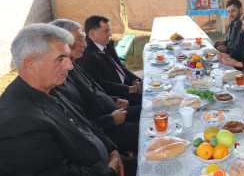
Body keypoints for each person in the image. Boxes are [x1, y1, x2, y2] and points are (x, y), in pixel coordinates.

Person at [0, 23, 123, 175]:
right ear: (30, 64)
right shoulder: (19, 123)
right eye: (60, 59)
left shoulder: (48, 89)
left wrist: (112, 150)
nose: (70, 66)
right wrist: (110, 170)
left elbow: (86, 124)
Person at [51, 19, 140, 159]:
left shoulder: (73, 65)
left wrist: (114, 100)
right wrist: (111, 119)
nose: (85, 44)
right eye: (79, 39)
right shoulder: (59, 81)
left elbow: (94, 91)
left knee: (152, 111)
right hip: (108, 131)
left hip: (115, 112)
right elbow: (80, 124)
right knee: (152, 129)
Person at [75, 15, 142, 105]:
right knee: (150, 102)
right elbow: (99, 84)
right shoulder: (86, 55)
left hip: (126, 86)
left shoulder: (105, 44)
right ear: (92, 33)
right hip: (117, 97)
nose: (110, 34)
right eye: (106, 31)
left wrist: (134, 79)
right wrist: (128, 89)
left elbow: (120, 66)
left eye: (110, 31)